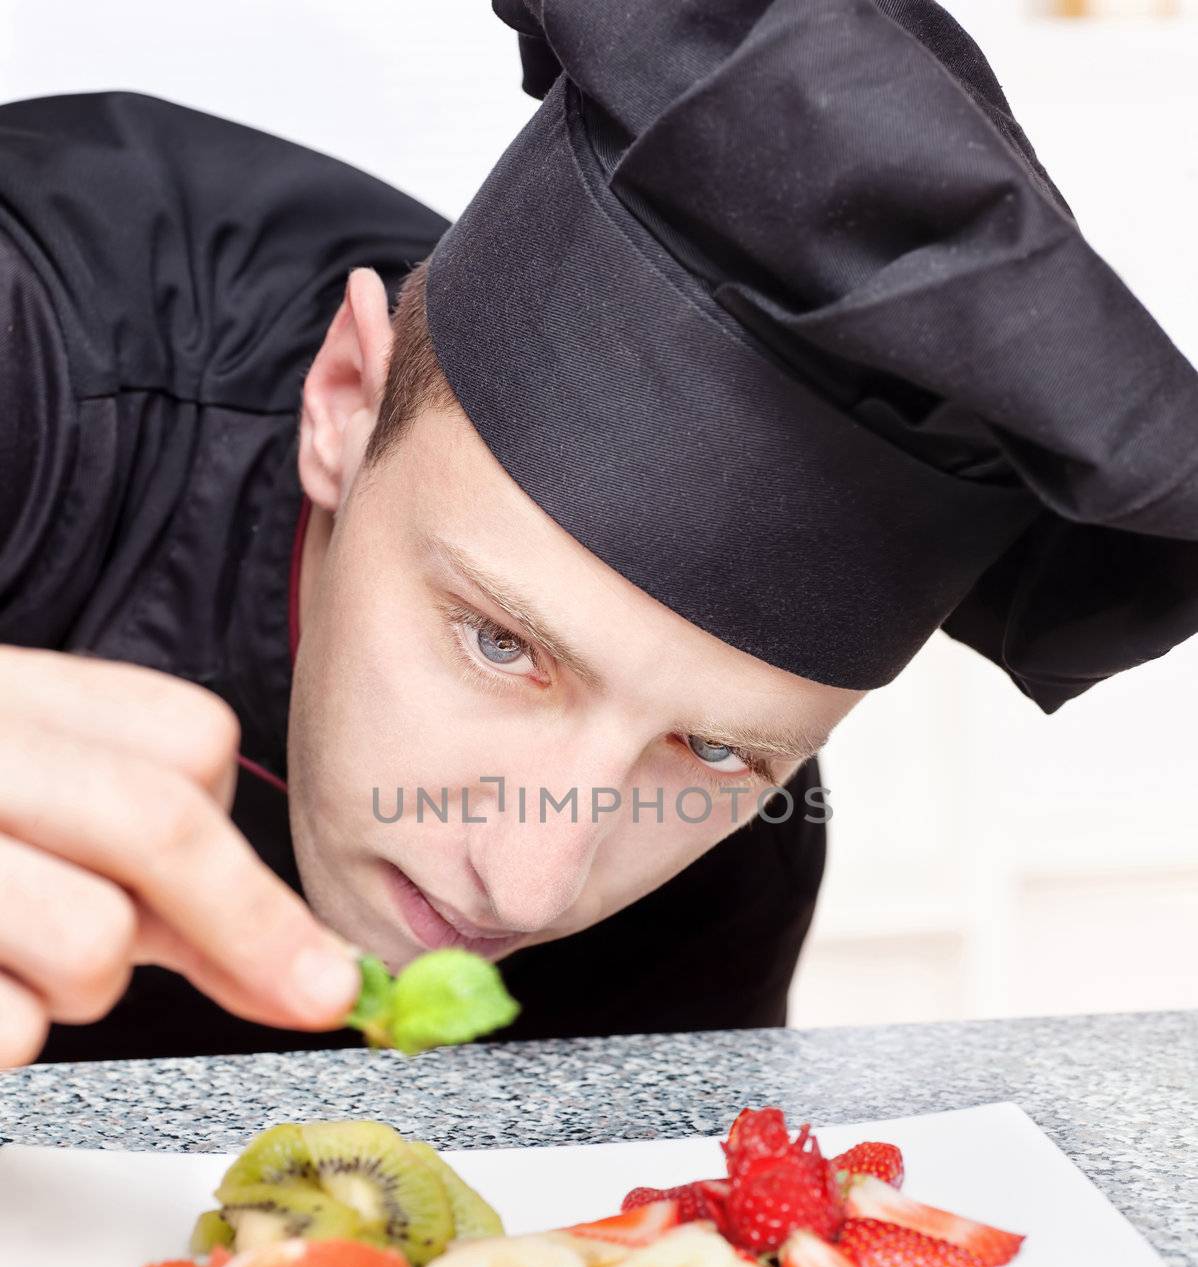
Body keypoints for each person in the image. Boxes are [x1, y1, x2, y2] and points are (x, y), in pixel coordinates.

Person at [1, 0, 1195, 1070]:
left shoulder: (731, 875)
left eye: (714, 753)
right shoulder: (41, 363)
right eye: (500, 645)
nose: (527, 883)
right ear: (346, 402)